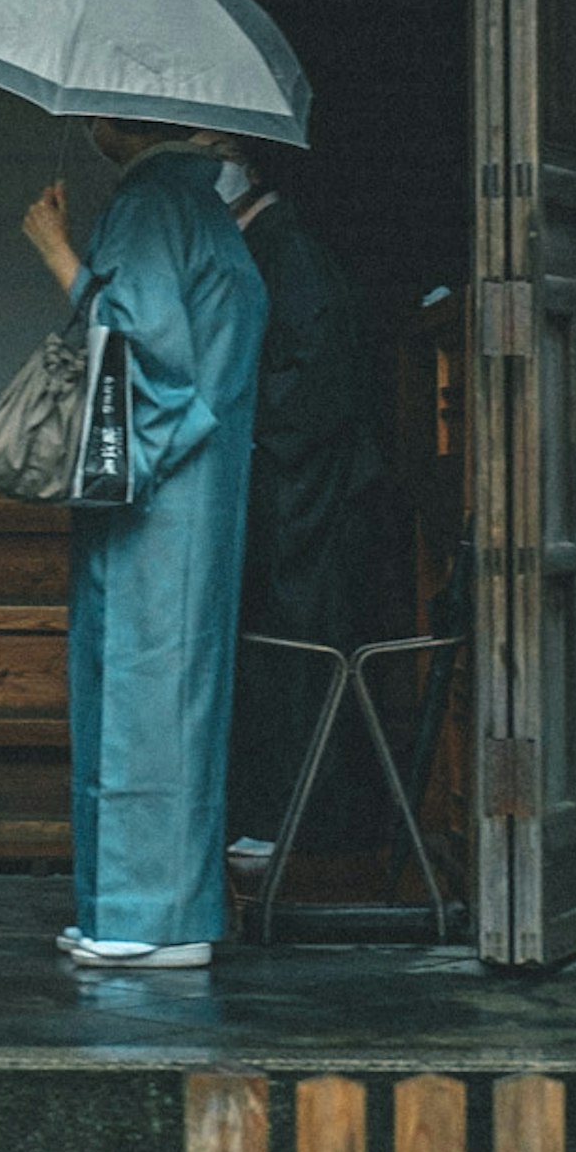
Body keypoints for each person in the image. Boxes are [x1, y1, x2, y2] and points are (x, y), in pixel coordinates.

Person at [20, 116, 269, 969]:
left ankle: (140, 918)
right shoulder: (199, 205)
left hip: (158, 495)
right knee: (174, 688)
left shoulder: (152, 202)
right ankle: (147, 905)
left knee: (141, 686)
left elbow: (138, 350)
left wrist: (57, 251)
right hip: (197, 485)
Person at [217, 152, 397, 878]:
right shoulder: (265, 248)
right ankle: (280, 816)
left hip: (309, 496)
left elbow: (315, 378)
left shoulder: (288, 250)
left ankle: (294, 821)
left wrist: (246, 429)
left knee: (299, 654)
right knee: (278, 656)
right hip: (290, 488)